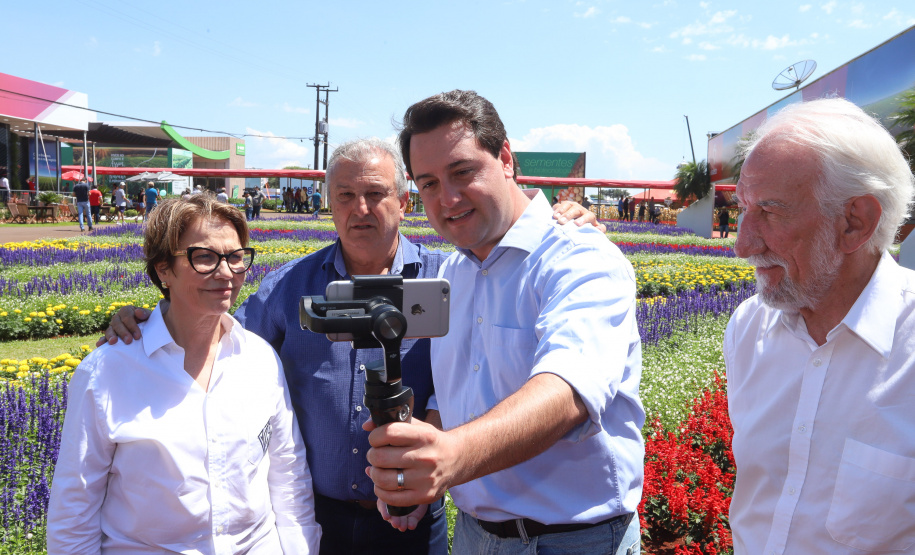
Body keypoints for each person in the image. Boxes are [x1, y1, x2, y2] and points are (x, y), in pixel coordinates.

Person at [100, 137, 602, 554]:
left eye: (376, 193)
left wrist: (560, 221)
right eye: (344, 195)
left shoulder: (450, 279)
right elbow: (217, 341)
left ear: (404, 202)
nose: (360, 209)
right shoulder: (287, 288)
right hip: (319, 519)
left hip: (414, 522)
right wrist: (151, 318)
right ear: (329, 203)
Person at [366, 90, 643, 554]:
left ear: (506, 158)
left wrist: (450, 458)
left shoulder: (579, 256)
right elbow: (453, 392)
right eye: (429, 183)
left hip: (573, 541)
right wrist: (422, 464)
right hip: (475, 536)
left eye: (462, 171)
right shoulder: (453, 272)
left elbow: (567, 390)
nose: (447, 198)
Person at [48, 194, 322, 553]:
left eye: (236, 257)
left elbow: (289, 479)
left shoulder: (259, 359)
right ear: (163, 268)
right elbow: (74, 513)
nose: (226, 273)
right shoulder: (108, 372)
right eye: (204, 257)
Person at [724, 97, 915, 554]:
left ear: (855, 222)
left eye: (769, 213)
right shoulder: (749, 328)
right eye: (742, 211)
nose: (742, 244)